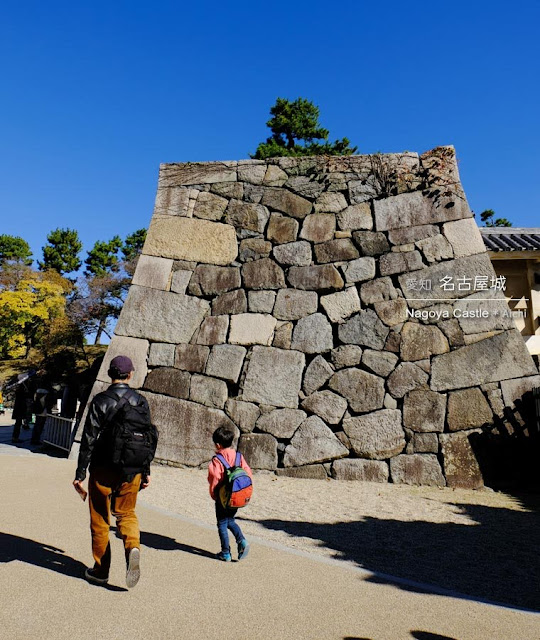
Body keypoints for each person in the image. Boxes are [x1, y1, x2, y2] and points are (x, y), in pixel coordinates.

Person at [73, 355, 152, 588]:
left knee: (100, 518)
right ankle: (133, 546)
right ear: (130, 375)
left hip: (103, 468)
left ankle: (100, 570)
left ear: (110, 374)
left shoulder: (100, 400)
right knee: (126, 514)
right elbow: (147, 438)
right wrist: (145, 471)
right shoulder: (141, 402)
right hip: (132, 469)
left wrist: (80, 473)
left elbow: (88, 439)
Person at [207, 426, 252, 562]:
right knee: (230, 520)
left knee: (221, 523)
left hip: (223, 496)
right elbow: (248, 474)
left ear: (218, 444)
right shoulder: (239, 456)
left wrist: (213, 494)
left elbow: (215, 477)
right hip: (237, 494)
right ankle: (241, 540)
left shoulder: (218, 459)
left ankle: (225, 552)